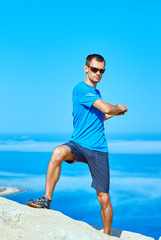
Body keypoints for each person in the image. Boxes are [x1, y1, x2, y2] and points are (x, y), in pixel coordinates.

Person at [27, 54, 127, 235]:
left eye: (102, 71)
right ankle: (46, 199)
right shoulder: (81, 89)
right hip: (78, 145)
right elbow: (105, 108)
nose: (98, 73)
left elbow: (100, 116)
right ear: (86, 68)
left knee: (104, 197)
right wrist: (118, 108)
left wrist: (115, 114)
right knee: (58, 152)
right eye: (95, 69)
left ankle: (106, 235)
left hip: (98, 149)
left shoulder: (96, 93)